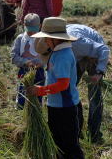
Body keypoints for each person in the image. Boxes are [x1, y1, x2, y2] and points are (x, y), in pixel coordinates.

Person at [28, 17, 84, 159]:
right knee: (58, 144)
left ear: (56, 39)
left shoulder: (63, 55)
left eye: (47, 38)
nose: (45, 42)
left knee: (70, 147)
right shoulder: (57, 53)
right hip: (56, 106)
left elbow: (62, 85)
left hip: (65, 108)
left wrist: (40, 90)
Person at [11, 13, 44, 109]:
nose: (32, 33)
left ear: (40, 26)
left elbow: (46, 57)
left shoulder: (42, 39)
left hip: (39, 72)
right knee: (22, 94)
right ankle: (21, 112)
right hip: (24, 71)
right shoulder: (20, 39)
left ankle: (36, 113)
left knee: (38, 96)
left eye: (34, 31)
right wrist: (25, 62)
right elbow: (14, 57)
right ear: (24, 26)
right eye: (29, 31)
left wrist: (39, 63)